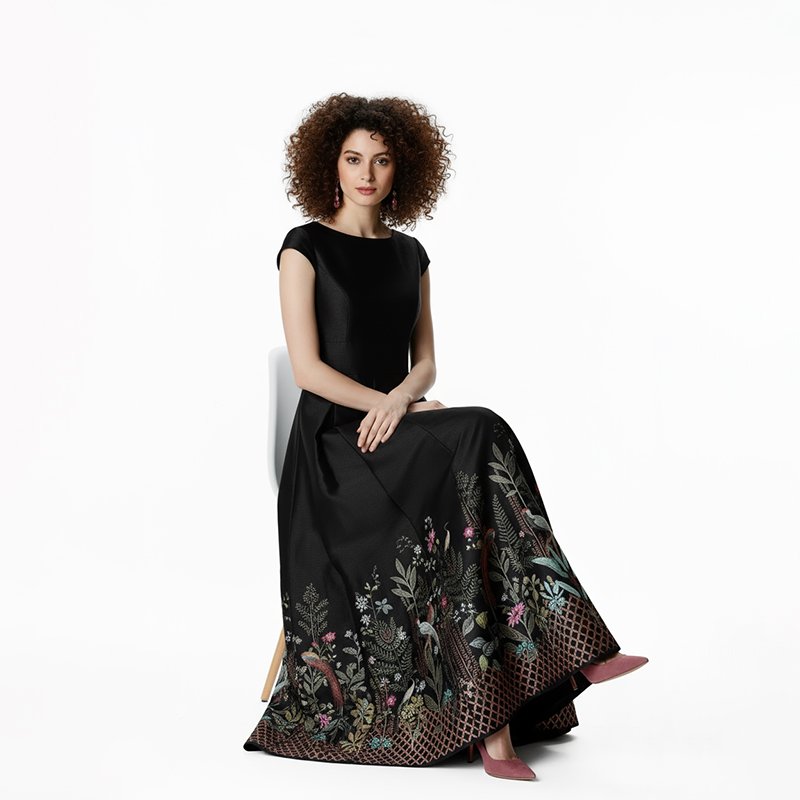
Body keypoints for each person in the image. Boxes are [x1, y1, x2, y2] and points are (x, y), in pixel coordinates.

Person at [242, 93, 648, 780]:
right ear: (329, 166)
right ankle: (563, 655)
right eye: (352, 159)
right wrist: (390, 405)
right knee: (476, 433)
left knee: (476, 455)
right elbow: (308, 370)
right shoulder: (302, 248)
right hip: (336, 450)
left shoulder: (412, 255)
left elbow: (425, 360)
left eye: (381, 160)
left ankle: (506, 713)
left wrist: (403, 401)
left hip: (394, 427)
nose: (366, 173)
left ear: (401, 169)